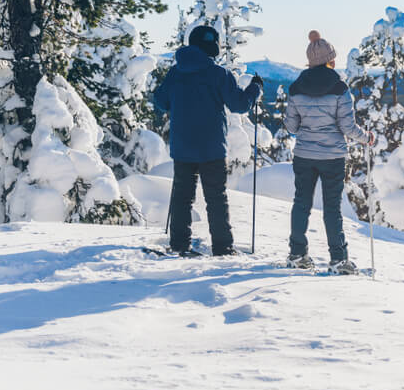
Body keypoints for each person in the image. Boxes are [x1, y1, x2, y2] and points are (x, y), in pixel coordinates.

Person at [153, 25, 263, 256]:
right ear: (212, 46)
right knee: (216, 198)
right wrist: (255, 89)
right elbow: (239, 105)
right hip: (211, 147)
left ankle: (179, 244)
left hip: (182, 146)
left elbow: (161, 101)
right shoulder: (218, 74)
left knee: (182, 196)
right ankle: (223, 247)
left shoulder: (176, 72)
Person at [284, 30, 374, 274]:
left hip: (304, 154)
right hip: (333, 157)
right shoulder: (340, 88)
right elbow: (347, 126)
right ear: (330, 60)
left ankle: (297, 254)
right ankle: (338, 259)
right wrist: (367, 138)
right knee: (332, 208)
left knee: (301, 203)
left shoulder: (295, 88)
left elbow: (291, 126)